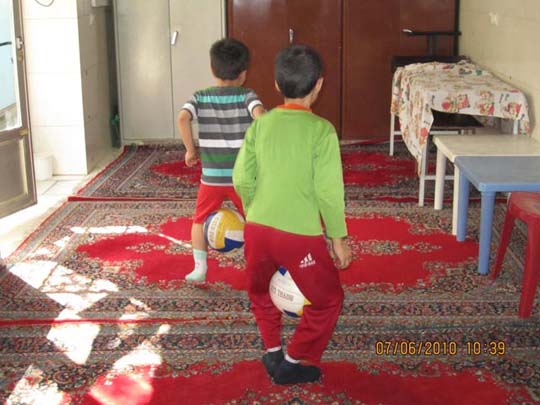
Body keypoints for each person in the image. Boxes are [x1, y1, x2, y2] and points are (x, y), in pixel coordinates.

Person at [233, 44, 352, 385]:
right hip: (299, 235)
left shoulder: (260, 125)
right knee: (328, 300)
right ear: (319, 84)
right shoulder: (322, 130)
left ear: (276, 84)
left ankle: (272, 350)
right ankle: (293, 360)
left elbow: (241, 178)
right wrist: (338, 239)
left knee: (259, 291)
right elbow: (329, 192)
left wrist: (254, 212)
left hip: (257, 227)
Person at [178, 38, 264, 282]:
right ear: (243, 74)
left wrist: (190, 150)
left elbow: (183, 118)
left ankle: (199, 268)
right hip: (242, 177)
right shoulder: (247, 95)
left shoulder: (201, 97)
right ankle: (257, 266)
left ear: (212, 69)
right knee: (255, 221)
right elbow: (261, 116)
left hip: (212, 177)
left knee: (199, 220)